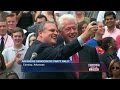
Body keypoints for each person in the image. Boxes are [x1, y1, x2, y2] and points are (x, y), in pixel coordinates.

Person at [24, 16, 98, 79]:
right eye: (52, 30)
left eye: (56, 31)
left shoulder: (90, 50)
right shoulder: (41, 48)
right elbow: (62, 53)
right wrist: (85, 35)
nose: (55, 33)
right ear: (40, 33)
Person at [58, 14, 102, 79]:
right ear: (60, 32)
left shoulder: (90, 51)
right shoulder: (56, 53)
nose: (72, 31)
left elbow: (97, 75)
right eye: (68, 29)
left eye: (74, 28)